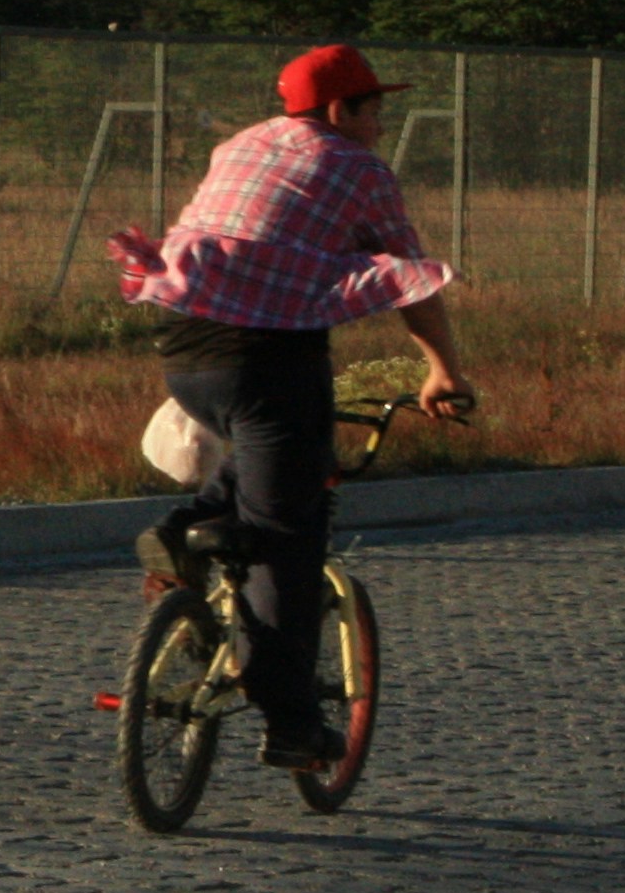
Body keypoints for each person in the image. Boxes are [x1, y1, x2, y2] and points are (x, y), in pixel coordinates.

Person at [105, 41, 476, 772]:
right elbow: (411, 279)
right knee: (287, 537)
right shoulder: (357, 167)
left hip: (184, 347)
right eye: (373, 111)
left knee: (260, 459)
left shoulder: (241, 142)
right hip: (270, 354)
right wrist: (443, 370)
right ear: (342, 110)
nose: (379, 127)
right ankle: (292, 726)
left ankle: (187, 530)